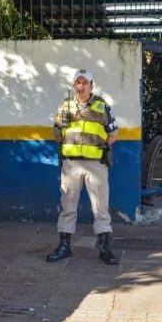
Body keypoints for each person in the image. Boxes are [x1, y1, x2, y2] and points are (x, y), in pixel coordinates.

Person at [46, 68, 119, 265]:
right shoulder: (65, 107)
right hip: (71, 164)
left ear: (91, 86)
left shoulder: (102, 107)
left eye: (85, 82)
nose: (81, 86)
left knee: (100, 207)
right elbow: (57, 133)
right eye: (78, 82)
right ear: (73, 85)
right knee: (68, 206)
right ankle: (64, 247)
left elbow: (113, 134)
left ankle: (104, 248)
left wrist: (100, 147)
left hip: (96, 165)